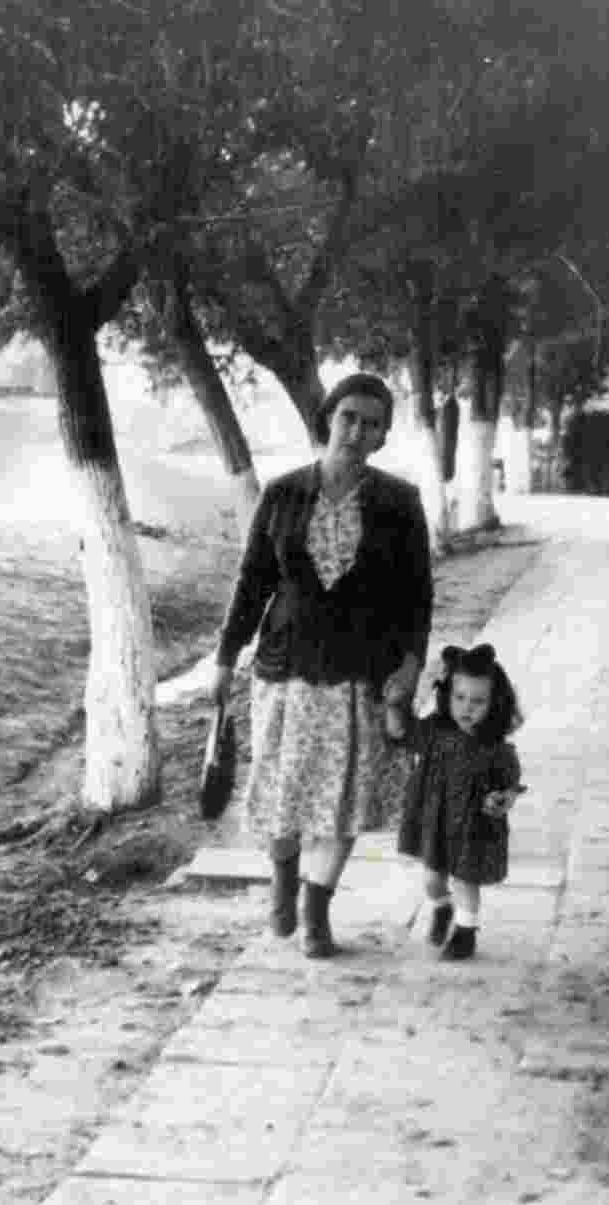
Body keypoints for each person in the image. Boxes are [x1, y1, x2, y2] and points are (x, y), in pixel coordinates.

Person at [210, 372, 433, 957]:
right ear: (327, 420)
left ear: (383, 436)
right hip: (285, 669)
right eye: (348, 418)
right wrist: (225, 657)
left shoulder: (400, 503)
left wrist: (410, 667)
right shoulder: (282, 494)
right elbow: (252, 581)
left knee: (344, 798)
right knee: (281, 793)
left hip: (362, 671)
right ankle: (283, 881)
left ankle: (315, 911)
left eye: (372, 424)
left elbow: (417, 598)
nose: (357, 432)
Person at [393, 643, 525, 961]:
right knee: (432, 880)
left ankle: (466, 933)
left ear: (495, 704)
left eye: (479, 701)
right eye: (460, 698)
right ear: (447, 696)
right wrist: (397, 702)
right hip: (435, 819)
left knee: (466, 880)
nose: (468, 708)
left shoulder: (495, 747)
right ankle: (442, 907)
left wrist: (502, 799)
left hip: (472, 823)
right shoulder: (434, 731)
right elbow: (400, 732)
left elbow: (510, 785)